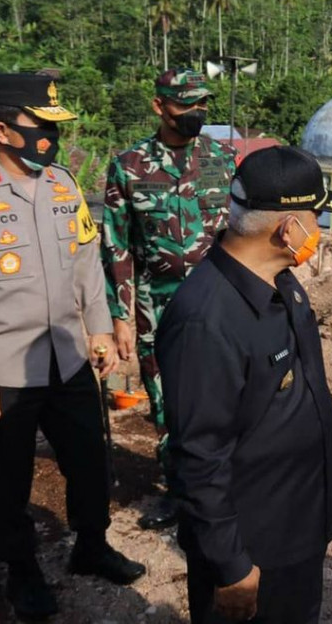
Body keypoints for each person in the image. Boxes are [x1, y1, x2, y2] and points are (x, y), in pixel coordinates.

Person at [156, 146, 332, 624]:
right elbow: (199, 456)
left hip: (297, 522)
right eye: (317, 218)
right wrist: (232, 567)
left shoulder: (279, 281)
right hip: (254, 548)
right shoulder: (206, 320)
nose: (322, 230)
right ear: (288, 229)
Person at [0, 73, 145, 620]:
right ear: (1, 130)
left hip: (69, 355)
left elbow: (85, 264)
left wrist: (99, 327)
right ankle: (22, 572)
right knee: (5, 481)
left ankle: (91, 546)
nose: (50, 137)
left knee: (89, 461)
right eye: (40, 125)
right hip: (1, 369)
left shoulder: (62, 183)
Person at [101, 68, 237, 531]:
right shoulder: (129, 166)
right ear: (160, 106)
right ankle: (180, 492)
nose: (196, 112)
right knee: (166, 400)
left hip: (219, 302)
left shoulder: (224, 159)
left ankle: (228, 488)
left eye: (202, 103)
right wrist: (120, 317)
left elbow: (242, 233)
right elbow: (116, 246)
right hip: (156, 306)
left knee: (226, 393)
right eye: (186, 104)